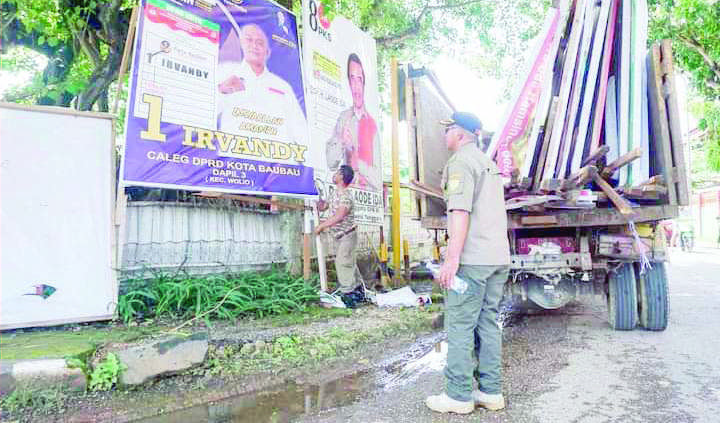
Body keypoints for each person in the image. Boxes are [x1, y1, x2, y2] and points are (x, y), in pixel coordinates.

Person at [425, 112, 510, 414]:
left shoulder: (461, 162)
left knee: (460, 324)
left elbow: (459, 212)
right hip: (498, 257)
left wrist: (451, 260)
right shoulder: (489, 163)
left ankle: (458, 396)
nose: (444, 135)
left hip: (474, 260)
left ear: (459, 134)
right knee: (487, 322)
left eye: (447, 129)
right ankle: (490, 392)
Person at [216, 23, 308, 156]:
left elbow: (300, 130)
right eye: (249, 40)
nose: (254, 46)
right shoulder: (225, 71)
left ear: (267, 52)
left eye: (260, 43)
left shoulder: (282, 86)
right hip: (235, 163)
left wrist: (307, 169)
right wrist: (222, 91)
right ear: (241, 44)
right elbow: (203, 111)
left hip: (278, 166)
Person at [326, 53, 380, 190]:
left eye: (359, 80)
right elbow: (331, 163)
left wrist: (358, 161)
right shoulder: (344, 118)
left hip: (367, 198)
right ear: (348, 83)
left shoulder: (372, 124)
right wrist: (342, 143)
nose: (356, 87)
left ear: (364, 83)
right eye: (352, 79)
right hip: (347, 192)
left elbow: (377, 180)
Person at [314, 165, 363, 294]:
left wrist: (322, 226)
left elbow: (340, 216)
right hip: (338, 236)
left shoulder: (345, 196)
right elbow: (324, 206)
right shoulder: (334, 193)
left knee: (343, 263)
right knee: (347, 262)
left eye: (336, 173)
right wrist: (317, 197)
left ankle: (348, 293)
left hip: (347, 235)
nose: (334, 175)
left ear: (341, 176)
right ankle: (358, 288)